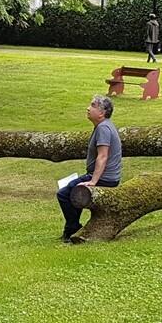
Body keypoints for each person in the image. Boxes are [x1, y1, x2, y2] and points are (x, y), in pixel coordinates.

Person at [56, 95, 122, 243]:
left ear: (102, 112)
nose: (88, 108)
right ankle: (71, 230)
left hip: (105, 178)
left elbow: (103, 156)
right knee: (73, 191)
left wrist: (93, 181)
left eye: (92, 105)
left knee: (63, 194)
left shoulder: (103, 128)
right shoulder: (103, 126)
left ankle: (73, 228)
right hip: (102, 176)